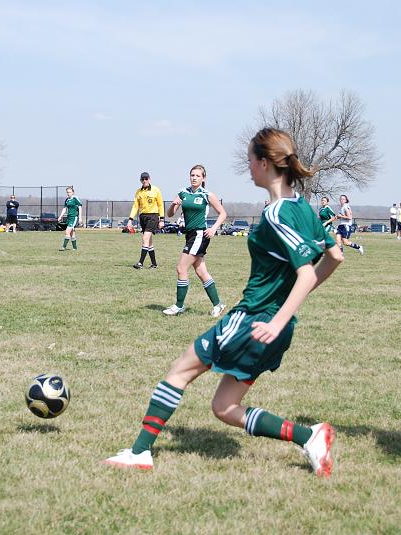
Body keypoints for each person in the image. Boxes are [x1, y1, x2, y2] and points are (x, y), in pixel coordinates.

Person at [104, 128, 344, 476]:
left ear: (264, 163)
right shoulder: (304, 210)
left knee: (180, 370)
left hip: (253, 320)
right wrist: (285, 311)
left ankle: (140, 452)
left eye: (250, 159)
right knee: (224, 406)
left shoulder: (277, 213)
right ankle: (310, 437)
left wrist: (276, 316)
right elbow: (335, 256)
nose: (247, 167)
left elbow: (306, 274)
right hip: (275, 325)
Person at [162, 165, 228, 317]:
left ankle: (179, 306)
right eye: (192, 175)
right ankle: (218, 304)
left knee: (181, 268)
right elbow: (170, 214)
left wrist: (213, 229)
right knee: (201, 271)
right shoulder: (183, 192)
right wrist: (173, 204)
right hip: (189, 235)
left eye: (198, 175)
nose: (194, 177)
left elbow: (223, 213)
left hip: (199, 235)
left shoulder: (207, 194)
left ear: (203, 178)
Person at [127, 172, 164, 268]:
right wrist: (130, 219)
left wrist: (162, 219)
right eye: (142, 179)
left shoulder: (156, 190)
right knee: (149, 242)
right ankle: (154, 264)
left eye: (146, 179)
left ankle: (140, 263)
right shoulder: (138, 192)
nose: (144, 181)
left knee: (145, 238)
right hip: (143, 217)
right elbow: (135, 206)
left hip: (153, 216)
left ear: (149, 179)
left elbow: (160, 205)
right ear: (140, 180)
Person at [58, 186, 82, 251]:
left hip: (74, 217)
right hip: (69, 217)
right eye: (67, 192)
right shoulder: (67, 200)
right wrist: (60, 216)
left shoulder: (75, 198)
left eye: (70, 192)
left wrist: (80, 218)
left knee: (67, 231)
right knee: (72, 233)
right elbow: (65, 208)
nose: (68, 193)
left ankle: (63, 247)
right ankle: (75, 248)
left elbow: (80, 207)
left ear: (73, 192)